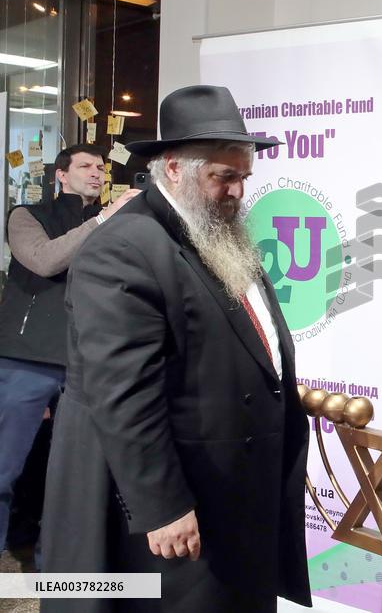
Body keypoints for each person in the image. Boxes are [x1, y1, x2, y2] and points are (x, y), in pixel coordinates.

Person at [40, 86, 311, 612]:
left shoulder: (214, 232)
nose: (236, 191)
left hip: (228, 490)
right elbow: (122, 393)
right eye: (223, 177)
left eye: (243, 177)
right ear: (172, 169)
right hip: (170, 505)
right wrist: (161, 506)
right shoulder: (123, 248)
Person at [0, 144, 139, 559]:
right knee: (4, 468)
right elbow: (44, 260)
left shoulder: (115, 222)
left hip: (88, 363)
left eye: (100, 166)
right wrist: (105, 219)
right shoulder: (26, 215)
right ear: (60, 175)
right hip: (27, 359)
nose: (96, 172)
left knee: (75, 478)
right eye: (85, 166)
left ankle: (57, 570)